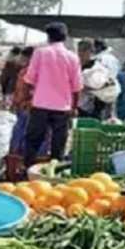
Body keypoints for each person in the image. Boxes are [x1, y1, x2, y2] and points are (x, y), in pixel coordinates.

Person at [23, 22, 83, 167]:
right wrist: (74, 107)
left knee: (33, 140)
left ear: (48, 36)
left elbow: (29, 79)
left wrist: (27, 99)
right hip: (62, 108)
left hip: (40, 105)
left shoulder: (40, 53)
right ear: (65, 37)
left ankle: (28, 170)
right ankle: (55, 172)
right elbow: (77, 87)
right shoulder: (72, 57)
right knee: (58, 143)